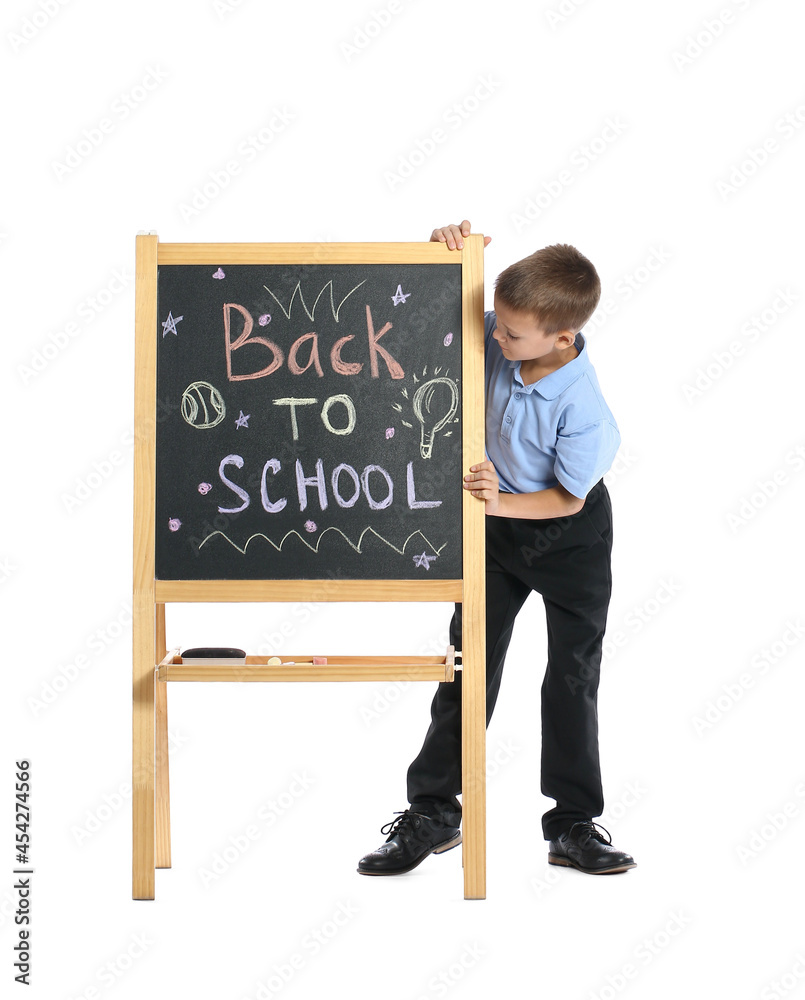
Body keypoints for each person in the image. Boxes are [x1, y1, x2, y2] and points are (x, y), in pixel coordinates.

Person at [358, 220, 635, 877]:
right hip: (492, 532)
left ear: (562, 336)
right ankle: (432, 812)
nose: (494, 334)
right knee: (467, 669)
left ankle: (571, 824)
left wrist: (493, 498)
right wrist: (443, 257)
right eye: (496, 324)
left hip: (568, 536)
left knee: (571, 677)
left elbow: (566, 497)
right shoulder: (496, 337)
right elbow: (431, 318)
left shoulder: (586, 409)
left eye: (510, 331)